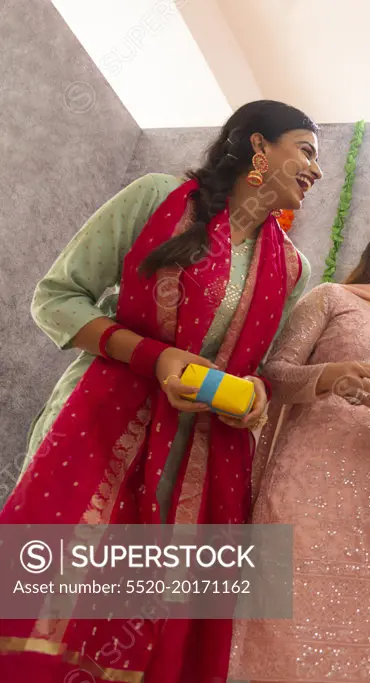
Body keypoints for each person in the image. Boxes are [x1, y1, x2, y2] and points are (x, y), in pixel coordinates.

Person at [0, 100, 319, 682]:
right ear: (257, 146)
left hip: (197, 464)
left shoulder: (292, 267)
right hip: (98, 429)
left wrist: (255, 396)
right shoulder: (158, 198)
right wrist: (156, 356)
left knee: (149, 627)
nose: (315, 170)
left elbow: (260, 368)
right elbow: (55, 298)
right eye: (305, 149)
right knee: (54, 594)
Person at [229, 221, 370, 683]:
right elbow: (275, 373)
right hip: (313, 486)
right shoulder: (332, 298)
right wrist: (331, 376)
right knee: (296, 624)